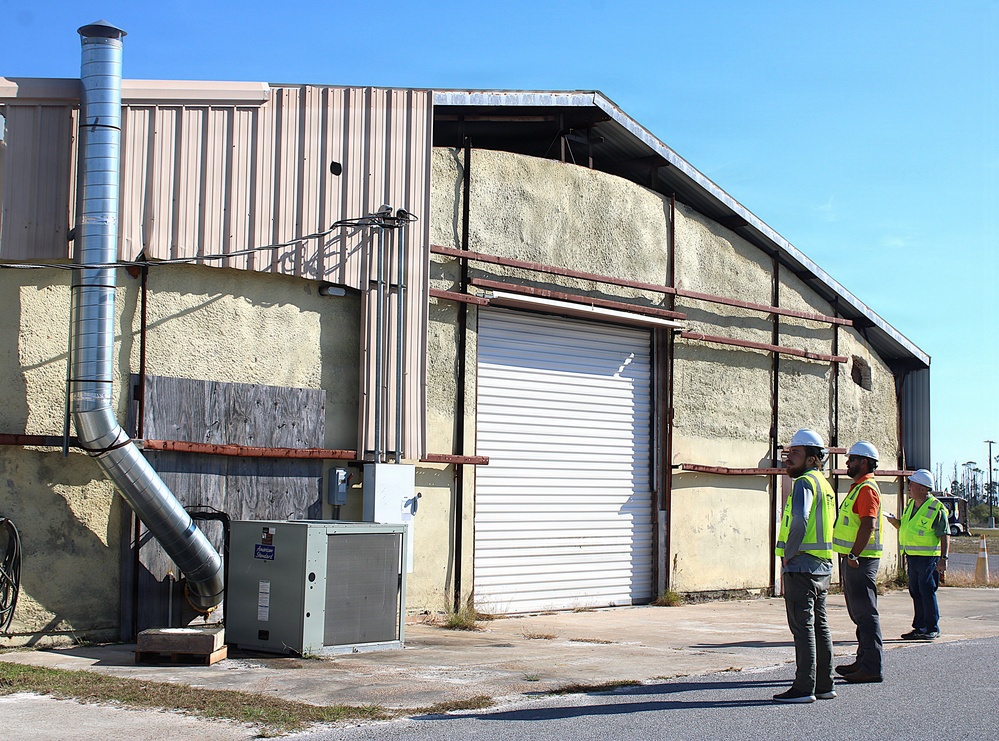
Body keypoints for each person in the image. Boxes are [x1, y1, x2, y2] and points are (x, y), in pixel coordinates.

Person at [773, 429, 837, 704]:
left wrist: (789, 553)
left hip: (802, 566)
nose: (788, 458)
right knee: (819, 627)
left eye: (795, 454)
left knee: (803, 627)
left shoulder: (804, 484)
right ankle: (824, 684)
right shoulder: (825, 484)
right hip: (822, 565)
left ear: (812, 459)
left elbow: (800, 517)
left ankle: (803, 687)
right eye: (788, 453)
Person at [832, 441, 884, 683]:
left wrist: (853, 555)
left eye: (852, 459)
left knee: (865, 613)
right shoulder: (858, 487)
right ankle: (862, 660)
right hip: (855, 559)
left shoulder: (866, 489)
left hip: (860, 560)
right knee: (859, 614)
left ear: (864, 462)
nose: (847, 463)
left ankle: (871, 666)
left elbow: (868, 525)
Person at [886, 469, 949, 640]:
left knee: (927, 591)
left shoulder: (936, 508)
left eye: (912, 483)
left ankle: (931, 627)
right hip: (912, 556)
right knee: (915, 591)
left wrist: (943, 559)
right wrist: (895, 522)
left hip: (929, 558)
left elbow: (944, 533)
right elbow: (906, 528)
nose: (909, 486)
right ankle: (920, 627)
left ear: (922, 488)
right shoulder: (910, 507)